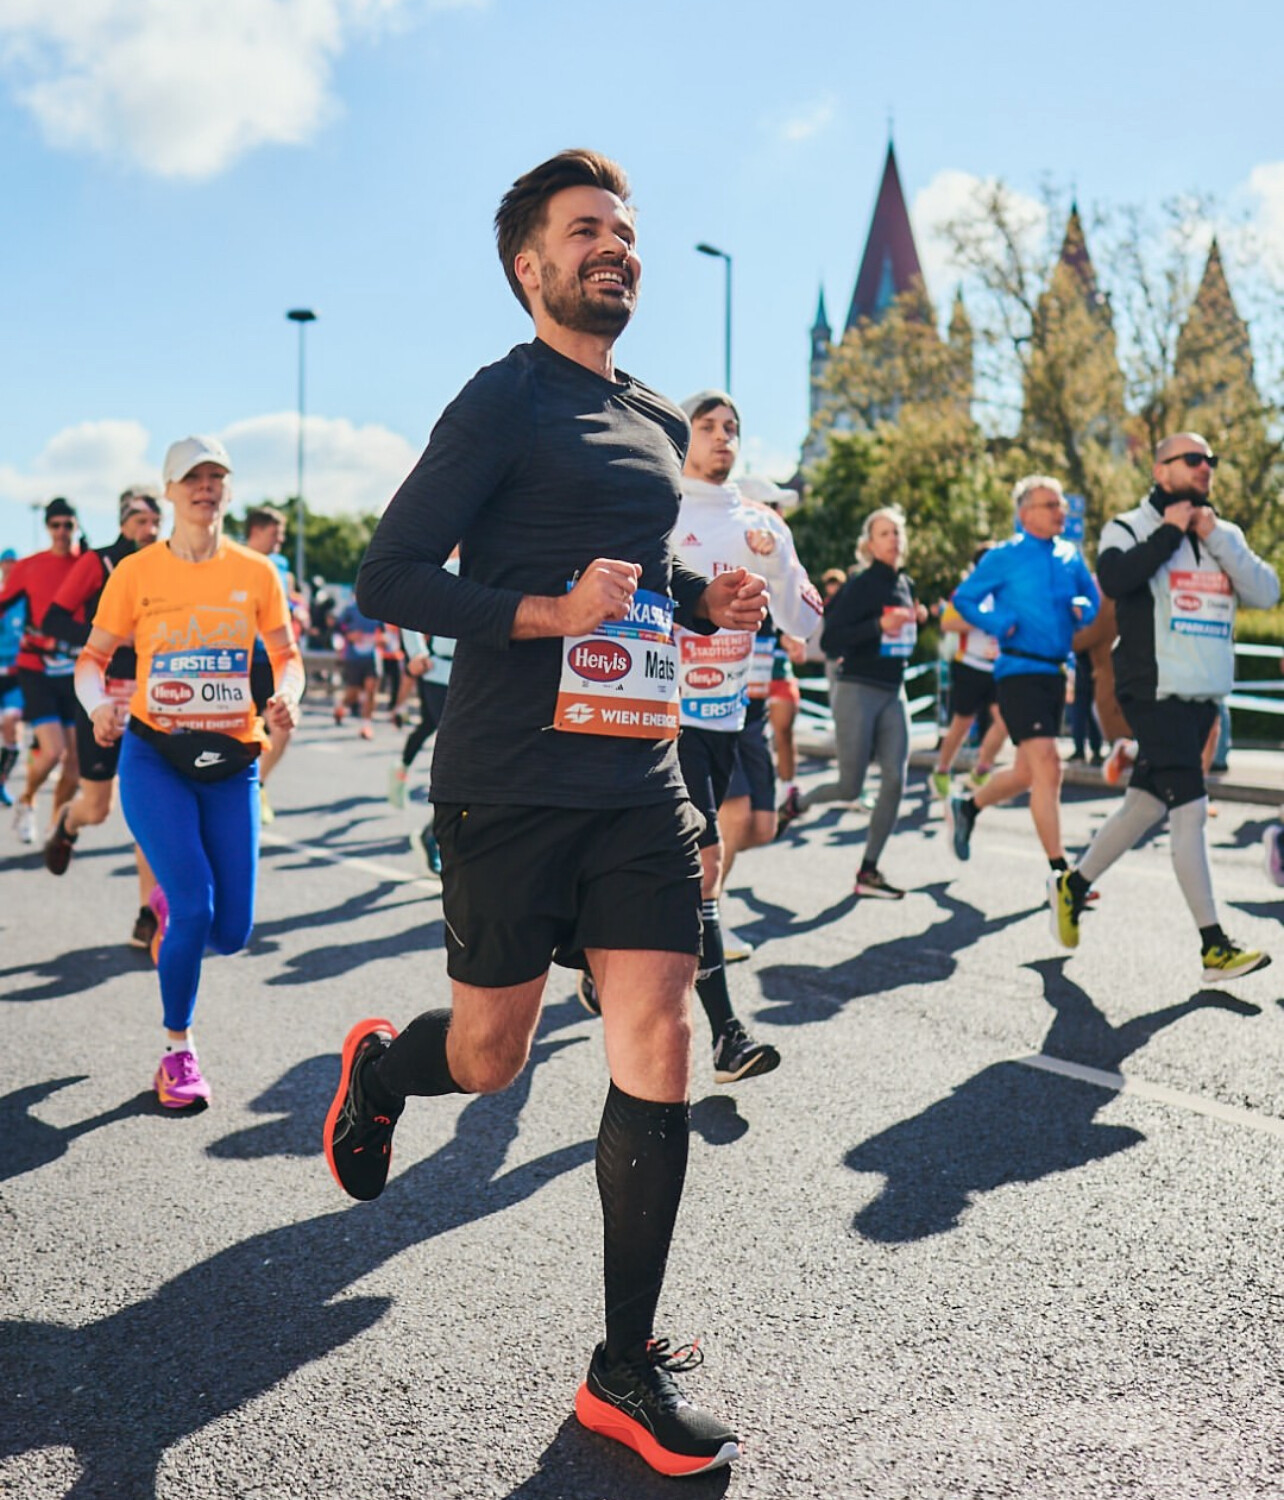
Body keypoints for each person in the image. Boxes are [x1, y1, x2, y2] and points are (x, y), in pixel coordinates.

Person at [323, 150, 766, 1478]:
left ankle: (622, 1366)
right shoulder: (501, 399)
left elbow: (637, 575)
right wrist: (544, 614)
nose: (613, 248)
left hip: (637, 778)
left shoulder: (652, 416)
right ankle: (382, 1072)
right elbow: (389, 574)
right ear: (531, 266)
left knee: (659, 1033)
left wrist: (700, 604)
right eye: (585, 232)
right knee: (491, 1057)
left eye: (623, 231)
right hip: (511, 780)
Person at [75, 436, 303, 1107]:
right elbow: (91, 661)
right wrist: (97, 707)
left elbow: (287, 656)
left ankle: (171, 909)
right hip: (156, 755)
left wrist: (287, 693)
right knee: (196, 907)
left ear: (228, 490)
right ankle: (178, 1052)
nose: (206, 487)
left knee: (231, 933)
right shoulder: (137, 572)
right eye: (192, 477)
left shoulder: (257, 572)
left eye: (216, 477)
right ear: (170, 491)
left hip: (232, 760)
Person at [1049, 432, 1278, 980]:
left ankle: (1073, 886)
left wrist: (1212, 535)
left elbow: (1266, 592)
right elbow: (1114, 578)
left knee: (1145, 806)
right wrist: (1171, 530)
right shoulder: (1129, 526)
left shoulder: (1222, 533)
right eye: (1193, 459)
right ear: (1160, 469)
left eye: (1210, 460)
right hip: (1153, 691)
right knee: (1190, 811)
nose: (1205, 467)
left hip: (1203, 694)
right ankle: (1213, 947)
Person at [666, 391, 822, 1057]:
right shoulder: (659, 508)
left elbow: (807, 623)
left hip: (727, 718)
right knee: (704, 866)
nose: (722, 437)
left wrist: (776, 568)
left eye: (731, 427)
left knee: (701, 862)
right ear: (682, 438)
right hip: (659, 719)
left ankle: (600, 954)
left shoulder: (761, 525)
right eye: (707, 427)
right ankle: (727, 1036)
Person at [947, 477, 1099, 872]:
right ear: (1025, 513)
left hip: (1055, 672)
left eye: (1061, 504)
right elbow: (964, 599)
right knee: (1049, 764)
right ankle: (1060, 872)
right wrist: (997, 622)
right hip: (1018, 671)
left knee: (1025, 772)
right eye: (1051, 505)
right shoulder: (1004, 556)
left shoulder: (1070, 556)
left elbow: (1093, 598)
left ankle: (968, 806)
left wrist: (1085, 608)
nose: (1060, 512)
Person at [783, 506, 926, 897]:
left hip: (893, 690)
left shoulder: (906, 583)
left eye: (897, 532)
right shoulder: (861, 584)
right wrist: (879, 625)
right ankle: (798, 804)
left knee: (895, 780)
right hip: (857, 690)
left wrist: (915, 621)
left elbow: (899, 637)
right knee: (850, 787)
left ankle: (868, 870)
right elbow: (831, 640)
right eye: (884, 533)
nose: (893, 539)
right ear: (869, 544)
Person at [41, 487, 163, 946]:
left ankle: (147, 915)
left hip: (153, 698)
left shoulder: (169, 563)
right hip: (102, 696)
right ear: (122, 522)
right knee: (97, 808)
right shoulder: (98, 563)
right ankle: (68, 823)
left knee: (148, 811)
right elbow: (53, 620)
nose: (149, 528)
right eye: (139, 520)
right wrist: (111, 637)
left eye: (155, 520)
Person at [0, 499, 85, 843]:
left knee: (75, 763)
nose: (62, 532)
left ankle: (55, 829)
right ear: (47, 528)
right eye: (55, 525)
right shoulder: (30, 566)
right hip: (36, 668)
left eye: (68, 525)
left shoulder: (89, 564)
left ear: (77, 526)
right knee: (52, 752)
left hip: (75, 672)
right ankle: (26, 800)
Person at [387, 554, 457, 879]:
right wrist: (417, 652)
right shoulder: (450, 570)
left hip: (475, 674)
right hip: (439, 673)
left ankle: (400, 770)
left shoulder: (501, 564)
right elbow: (409, 609)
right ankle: (433, 833)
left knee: (428, 727)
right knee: (459, 755)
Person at [930, 545, 1008, 799]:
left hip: (997, 668)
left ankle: (981, 769)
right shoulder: (967, 590)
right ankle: (942, 770)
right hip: (969, 666)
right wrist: (981, 618)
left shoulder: (1007, 591)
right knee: (962, 723)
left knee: (1005, 721)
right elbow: (947, 623)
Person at [243, 506, 296, 820]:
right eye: (276, 534)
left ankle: (258, 784)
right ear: (256, 531)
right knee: (240, 733)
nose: (281, 540)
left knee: (282, 728)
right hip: (240, 659)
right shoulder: (233, 560)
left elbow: (284, 605)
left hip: (270, 659)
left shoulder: (281, 565)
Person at [332, 596, 381, 738]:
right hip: (353, 657)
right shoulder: (351, 610)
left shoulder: (379, 609)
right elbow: (337, 628)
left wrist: (380, 639)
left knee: (371, 689)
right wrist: (349, 635)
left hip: (372, 656)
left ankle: (366, 725)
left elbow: (385, 632)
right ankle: (341, 706)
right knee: (353, 693)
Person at [0, 548, 23, 807]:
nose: (10, 566)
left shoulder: (24, 599)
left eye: (14, 562)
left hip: (17, 674)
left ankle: (2, 782)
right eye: (6, 562)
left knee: (12, 724)